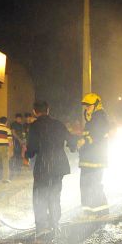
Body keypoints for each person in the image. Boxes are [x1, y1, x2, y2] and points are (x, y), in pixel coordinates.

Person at [25, 100, 76, 235]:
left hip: (43, 165)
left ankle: (41, 227)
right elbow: (72, 141)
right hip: (59, 166)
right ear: (48, 110)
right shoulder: (59, 124)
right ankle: (54, 224)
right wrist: (73, 147)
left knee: (40, 196)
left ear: (35, 112)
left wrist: (28, 154)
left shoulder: (35, 126)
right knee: (54, 195)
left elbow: (32, 149)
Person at [77, 93, 109, 215]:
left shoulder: (100, 118)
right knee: (86, 185)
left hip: (95, 159)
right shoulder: (93, 119)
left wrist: (84, 141)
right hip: (89, 159)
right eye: (85, 106)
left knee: (93, 185)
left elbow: (97, 135)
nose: (86, 108)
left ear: (96, 105)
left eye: (88, 106)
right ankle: (89, 212)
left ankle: (100, 212)